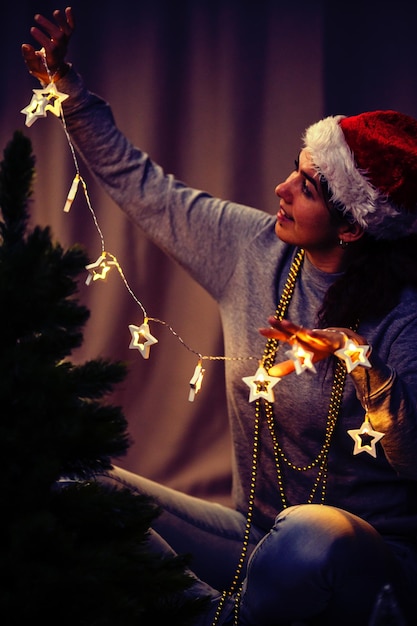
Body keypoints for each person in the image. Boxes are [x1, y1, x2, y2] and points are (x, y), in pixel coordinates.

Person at [21, 7, 417, 626]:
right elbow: (144, 185)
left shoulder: (404, 314)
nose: (282, 188)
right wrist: (68, 89)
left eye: (308, 187)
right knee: (71, 482)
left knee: (310, 538)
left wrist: (361, 363)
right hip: (247, 541)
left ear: (354, 225)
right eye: (295, 166)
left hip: (366, 562)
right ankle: (223, 618)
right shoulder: (254, 251)